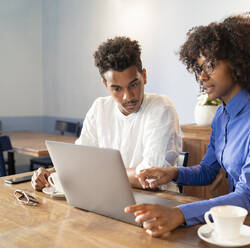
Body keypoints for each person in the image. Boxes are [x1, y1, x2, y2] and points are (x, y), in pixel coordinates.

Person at [125, 13, 250, 237]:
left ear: (237, 64)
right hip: (235, 223)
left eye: (211, 66)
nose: (202, 76)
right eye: (200, 68)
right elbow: (207, 171)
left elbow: (247, 196)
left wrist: (180, 214)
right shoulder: (221, 116)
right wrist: (171, 173)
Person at [31, 36, 181, 190]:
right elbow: (80, 160)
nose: (128, 96)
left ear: (144, 76)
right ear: (105, 85)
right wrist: (49, 173)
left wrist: (94, 171)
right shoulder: (99, 108)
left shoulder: (162, 108)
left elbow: (150, 177)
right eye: (117, 88)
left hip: (156, 203)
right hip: (107, 196)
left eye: (134, 84)